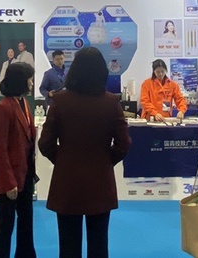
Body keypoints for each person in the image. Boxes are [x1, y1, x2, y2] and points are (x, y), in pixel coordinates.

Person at [39, 47, 131, 258]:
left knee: (68, 247)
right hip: (100, 181)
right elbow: (124, 143)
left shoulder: (60, 101)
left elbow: (45, 143)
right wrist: (106, 161)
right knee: (99, 245)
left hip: (67, 182)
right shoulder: (111, 102)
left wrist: (63, 160)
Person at [0, 62, 37, 258]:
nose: (32, 83)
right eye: (29, 79)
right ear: (20, 81)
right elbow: (1, 149)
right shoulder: (3, 108)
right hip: (9, 177)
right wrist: (9, 182)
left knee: (26, 221)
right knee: (5, 224)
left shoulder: (23, 103)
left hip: (26, 174)